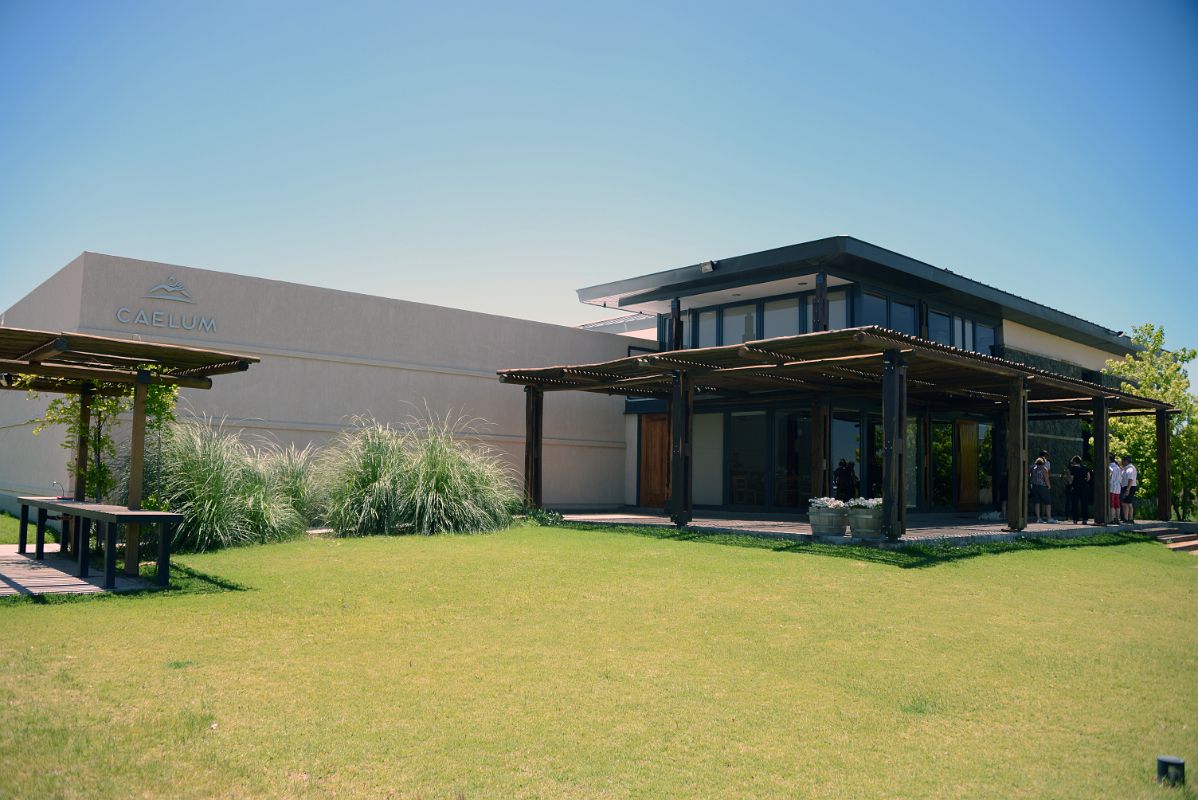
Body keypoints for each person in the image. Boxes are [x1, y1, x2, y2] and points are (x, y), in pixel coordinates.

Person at [1066, 455, 1091, 524]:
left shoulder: (1072, 468)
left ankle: (1075, 519)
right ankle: (1085, 519)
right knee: (1084, 503)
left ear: (1074, 461)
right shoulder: (1085, 468)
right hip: (1085, 487)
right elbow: (1088, 477)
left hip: (1075, 487)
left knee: (1075, 503)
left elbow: (1071, 479)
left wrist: (1069, 479)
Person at [1030, 456, 1054, 523]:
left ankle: (1038, 518)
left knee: (1037, 502)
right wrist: (1049, 486)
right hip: (1042, 487)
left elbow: (1031, 477)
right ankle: (1049, 518)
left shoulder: (1033, 468)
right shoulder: (1044, 469)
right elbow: (1046, 479)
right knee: (1048, 502)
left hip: (1034, 486)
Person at [1121, 456, 1138, 523]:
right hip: (1129, 486)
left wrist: (1127, 489)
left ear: (1126, 461)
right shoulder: (1127, 468)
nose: (1122, 462)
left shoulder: (1130, 469)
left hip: (1129, 487)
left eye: (1123, 461)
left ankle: (1126, 518)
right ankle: (1130, 519)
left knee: (1125, 503)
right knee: (1129, 503)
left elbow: (1130, 480)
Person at [1107, 455, 1123, 525]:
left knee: (1112, 503)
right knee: (1117, 503)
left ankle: (1112, 519)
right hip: (1118, 487)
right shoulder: (1118, 467)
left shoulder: (1110, 467)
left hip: (1111, 486)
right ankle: (1118, 518)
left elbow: (1109, 477)